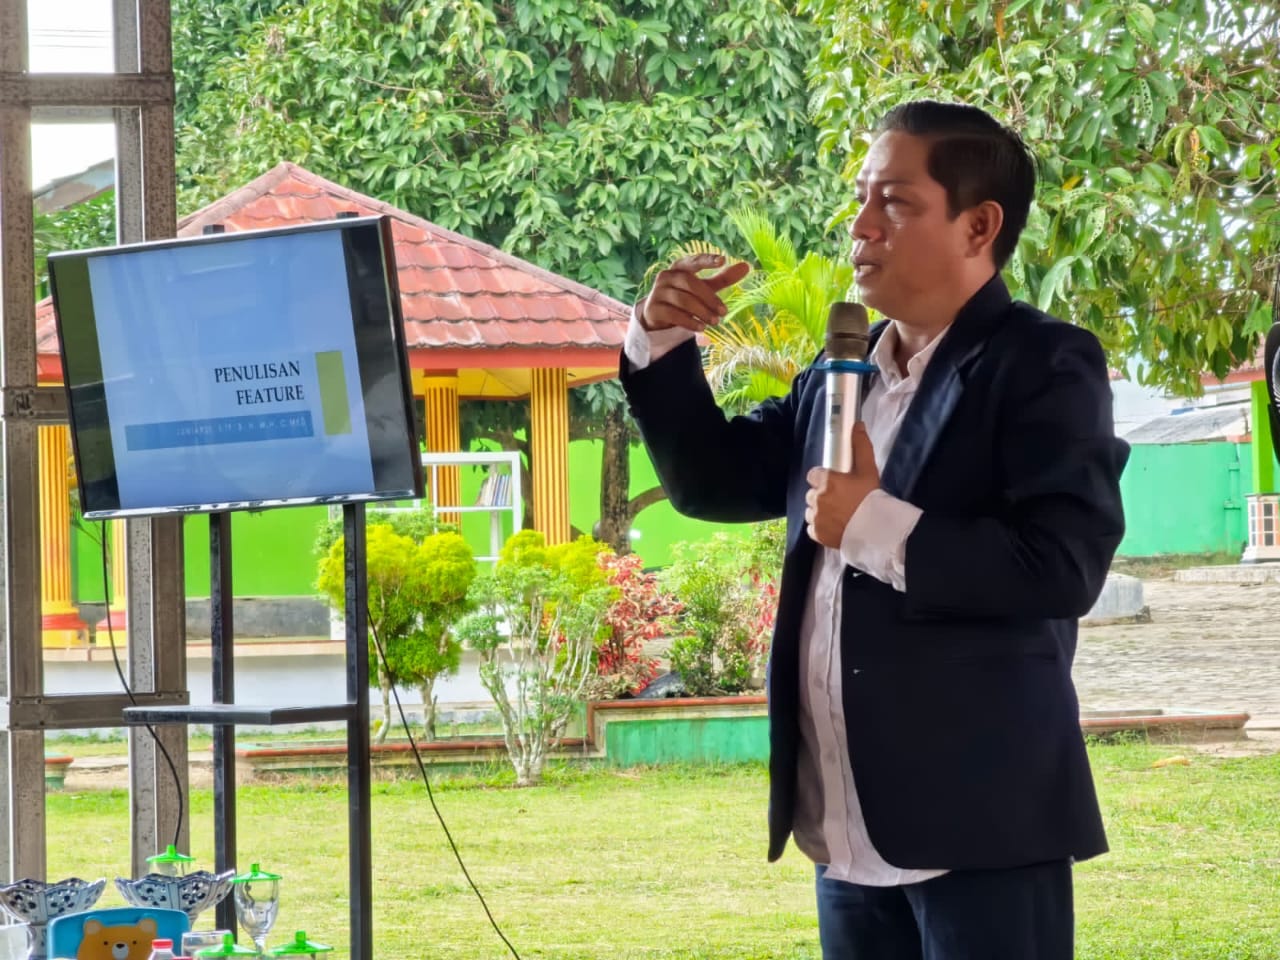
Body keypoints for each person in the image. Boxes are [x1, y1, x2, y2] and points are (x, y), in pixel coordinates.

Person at [619, 100, 1130, 959]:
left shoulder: (1043, 363)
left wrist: (871, 524)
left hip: (982, 834)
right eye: (860, 197)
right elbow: (713, 483)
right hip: (848, 833)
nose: (859, 226)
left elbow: (1061, 566)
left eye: (893, 201)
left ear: (978, 226)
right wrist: (658, 346)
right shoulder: (838, 371)